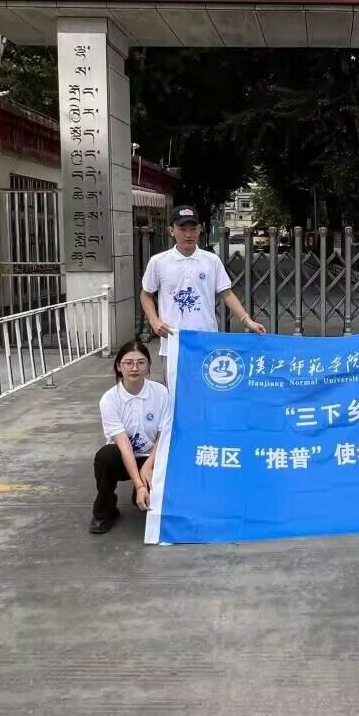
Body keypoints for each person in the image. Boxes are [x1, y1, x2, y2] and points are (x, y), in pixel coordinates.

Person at [140, 205, 265, 379]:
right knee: (175, 393)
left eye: (193, 229)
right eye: (182, 229)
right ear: (171, 230)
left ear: (200, 230)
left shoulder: (211, 261)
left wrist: (247, 320)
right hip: (173, 342)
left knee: (209, 390)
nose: (188, 235)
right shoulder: (158, 262)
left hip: (207, 341)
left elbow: (227, 293)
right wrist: (154, 321)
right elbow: (146, 294)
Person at [92, 341, 171, 534]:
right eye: (128, 363)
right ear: (119, 366)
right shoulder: (110, 399)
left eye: (141, 362)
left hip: (153, 457)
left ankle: (146, 490)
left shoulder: (161, 392)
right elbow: (124, 445)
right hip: (124, 457)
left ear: (149, 366)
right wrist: (139, 483)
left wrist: (148, 466)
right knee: (105, 456)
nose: (134, 368)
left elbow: (164, 435)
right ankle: (105, 511)